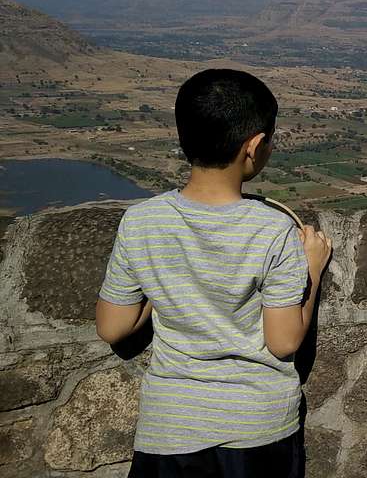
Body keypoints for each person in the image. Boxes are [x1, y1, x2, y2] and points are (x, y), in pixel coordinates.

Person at [95, 68, 332, 477]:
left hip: (169, 430)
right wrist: (311, 267)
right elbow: (282, 341)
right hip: (256, 429)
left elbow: (113, 328)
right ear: (255, 147)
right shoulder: (272, 229)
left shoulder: (142, 222)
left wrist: (162, 281)